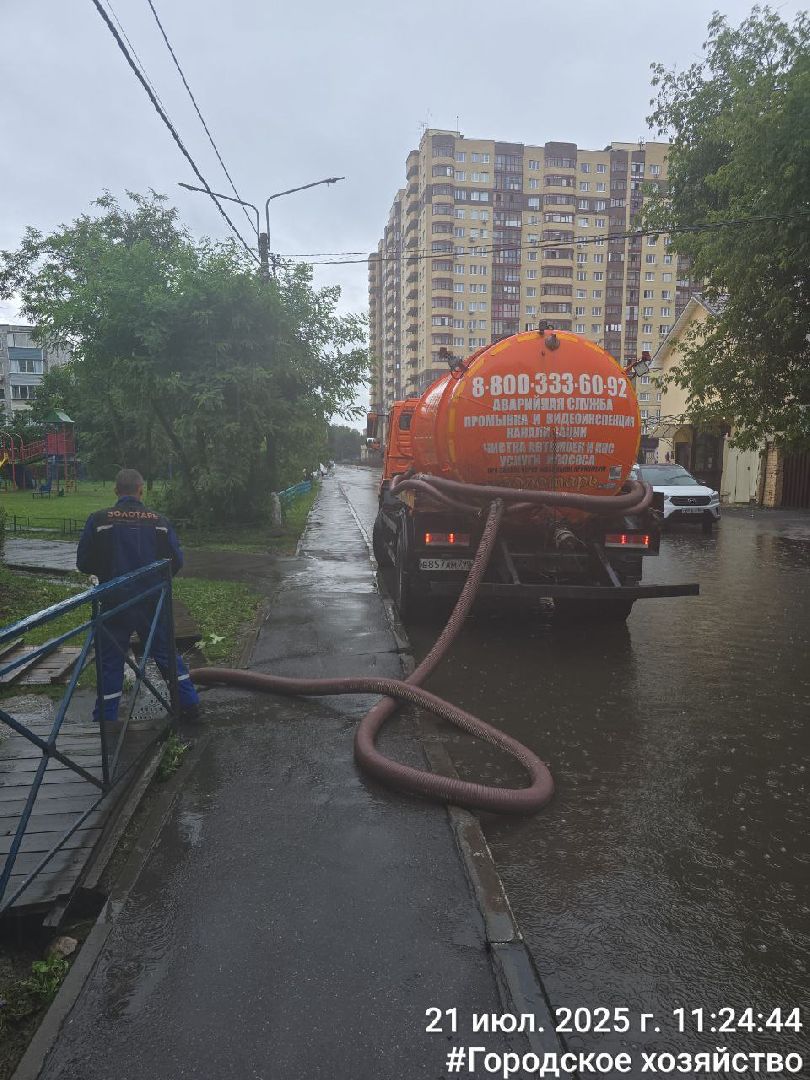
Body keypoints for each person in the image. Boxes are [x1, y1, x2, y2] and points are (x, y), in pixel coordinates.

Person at [76, 468, 201, 724]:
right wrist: (156, 582)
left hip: (113, 603)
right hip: (152, 603)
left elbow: (84, 563)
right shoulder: (159, 522)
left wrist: (105, 571)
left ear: (116, 490)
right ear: (141, 490)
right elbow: (175, 561)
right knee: (166, 654)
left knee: (110, 662)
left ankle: (106, 721)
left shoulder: (99, 520)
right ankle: (190, 706)